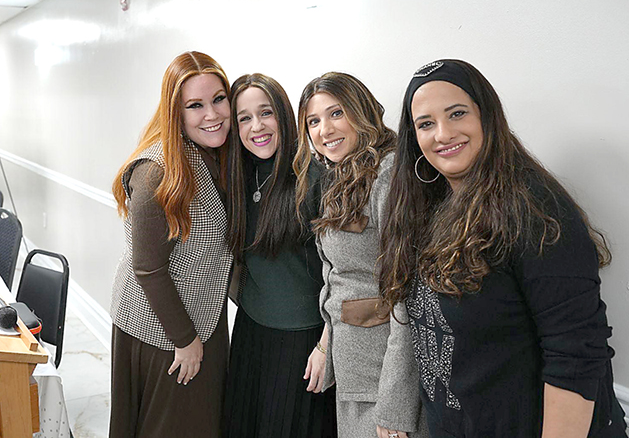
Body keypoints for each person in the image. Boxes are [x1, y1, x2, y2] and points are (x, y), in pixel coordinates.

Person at [378, 59, 628, 437]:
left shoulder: (536, 211)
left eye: (457, 113)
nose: (443, 133)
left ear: (487, 116)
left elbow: (575, 356)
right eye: (426, 124)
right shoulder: (427, 206)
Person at [294, 72, 428, 438]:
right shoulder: (342, 174)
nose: (325, 130)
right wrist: (326, 344)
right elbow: (342, 277)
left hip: (384, 384)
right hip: (356, 376)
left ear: (361, 111)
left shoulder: (388, 175)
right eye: (313, 121)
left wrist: (396, 406)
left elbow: (407, 294)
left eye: (336, 113)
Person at [109, 51, 233, 437]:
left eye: (219, 99)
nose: (211, 114)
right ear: (175, 112)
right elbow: (148, 268)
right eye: (195, 105)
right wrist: (185, 340)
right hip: (162, 330)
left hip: (206, 318)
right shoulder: (155, 172)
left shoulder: (216, 155)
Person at [221, 73, 336, 438]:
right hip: (250, 333)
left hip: (303, 343)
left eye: (266, 112)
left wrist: (326, 347)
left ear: (284, 115)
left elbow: (343, 275)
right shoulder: (239, 176)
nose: (256, 126)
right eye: (244, 118)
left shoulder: (315, 178)